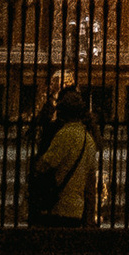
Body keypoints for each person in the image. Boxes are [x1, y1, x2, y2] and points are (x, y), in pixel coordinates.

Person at [30, 83, 100, 230]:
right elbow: (90, 184)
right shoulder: (89, 140)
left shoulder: (64, 135)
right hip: (77, 210)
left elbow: (45, 165)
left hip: (58, 207)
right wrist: (89, 219)